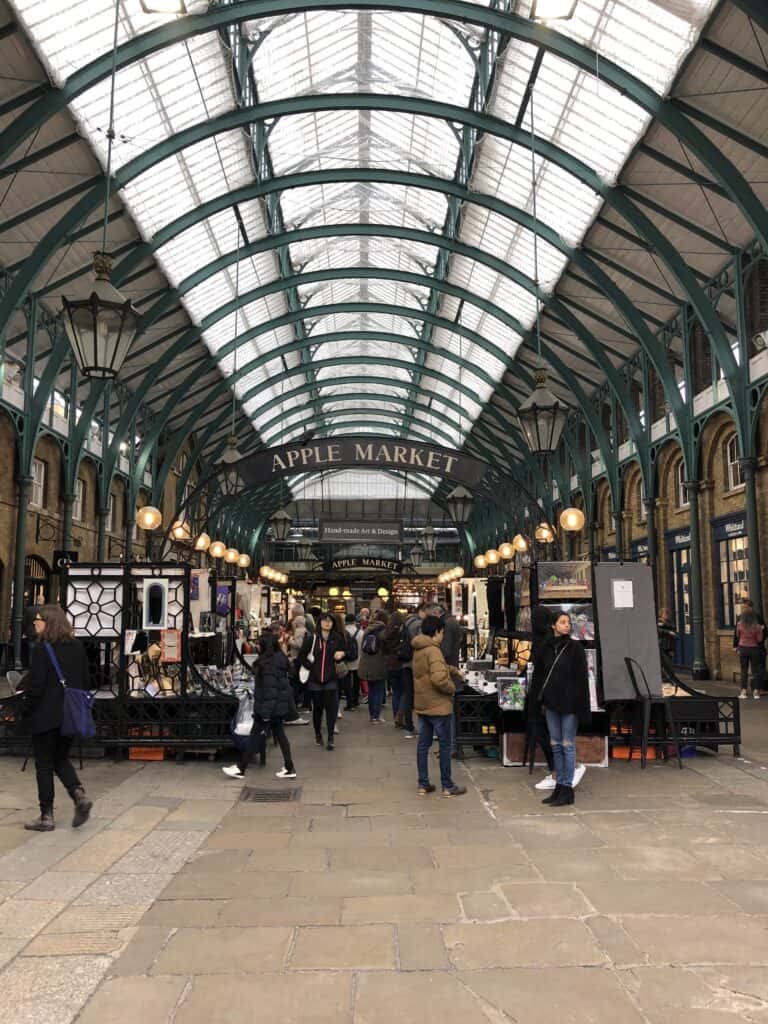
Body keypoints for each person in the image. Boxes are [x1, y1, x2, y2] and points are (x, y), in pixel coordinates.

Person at [21, 605, 93, 832]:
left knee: (43, 763)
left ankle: (46, 816)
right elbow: (85, 680)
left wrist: (26, 711)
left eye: (39, 619)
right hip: (70, 714)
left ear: (49, 622)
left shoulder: (42, 649)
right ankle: (79, 795)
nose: (35, 623)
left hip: (46, 714)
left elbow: (36, 686)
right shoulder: (77, 647)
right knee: (60, 757)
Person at [223, 632, 298, 780]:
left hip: (268, 709)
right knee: (280, 736)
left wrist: (265, 713)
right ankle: (289, 767)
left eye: (259, 643)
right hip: (276, 708)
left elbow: (270, 691)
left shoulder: (268, 664)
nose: (256, 645)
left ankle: (241, 768)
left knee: (254, 736)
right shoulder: (278, 659)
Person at [527, 607, 587, 793]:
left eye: (568, 623)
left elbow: (581, 678)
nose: (566, 625)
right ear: (553, 625)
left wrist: (580, 705)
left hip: (569, 703)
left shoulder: (575, 648)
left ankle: (566, 787)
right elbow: (541, 674)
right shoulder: (547, 647)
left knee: (567, 744)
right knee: (556, 743)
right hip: (552, 703)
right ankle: (559, 785)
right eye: (562, 622)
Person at [412, 615, 466, 797]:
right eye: (442, 632)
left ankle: (423, 784)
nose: (443, 636)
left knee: (423, 745)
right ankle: (447, 785)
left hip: (423, 703)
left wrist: (453, 670)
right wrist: (451, 689)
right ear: (436, 632)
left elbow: (432, 670)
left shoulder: (420, 649)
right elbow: (437, 677)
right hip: (438, 705)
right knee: (444, 746)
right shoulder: (434, 651)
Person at [298, 611, 346, 749]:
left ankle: (330, 737)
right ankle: (318, 734)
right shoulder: (312, 638)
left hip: (331, 679)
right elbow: (301, 656)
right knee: (318, 710)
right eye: (324, 620)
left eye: (330, 621)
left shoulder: (337, 638)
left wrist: (342, 653)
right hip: (315, 680)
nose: (327, 623)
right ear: (319, 622)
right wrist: (311, 667)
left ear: (333, 623)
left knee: (331, 710)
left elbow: (349, 652)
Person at [359, 610, 389, 723]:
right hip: (379, 664)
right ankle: (377, 715)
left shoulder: (367, 630)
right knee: (379, 690)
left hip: (367, 664)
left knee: (371, 691)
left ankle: (372, 716)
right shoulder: (383, 632)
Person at [734, 600, 765, 699]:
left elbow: (737, 635)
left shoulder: (739, 623)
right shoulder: (757, 626)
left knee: (743, 670)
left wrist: (736, 646)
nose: (743, 609)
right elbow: (760, 639)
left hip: (743, 648)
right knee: (755, 671)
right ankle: (756, 692)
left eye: (744, 607)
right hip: (754, 649)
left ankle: (743, 691)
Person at [382, 611, 409, 729]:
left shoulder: (386, 632)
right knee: (405, 691)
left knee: (396, 692)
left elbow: (383, 649)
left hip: (389, 664)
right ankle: (400, 715)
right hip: (401, 663)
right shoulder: (403, 631)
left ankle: (395, 717)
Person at [286, 614, 311, 722]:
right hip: (302, 659)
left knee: (296, 682)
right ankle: (305, 703)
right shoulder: (305, 630)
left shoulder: (298, 631)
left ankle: (298, 703)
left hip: (297, 658)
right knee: (302, 682)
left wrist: (290, 640)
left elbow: (299, 645)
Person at [344, 612, 363, 710]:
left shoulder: (343, 632)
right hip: (358, 660)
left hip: (346, 660)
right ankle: (356, 700)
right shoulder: (360, 632)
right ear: (354, 621)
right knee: (356, 682)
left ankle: (349, 702)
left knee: (347, 683)